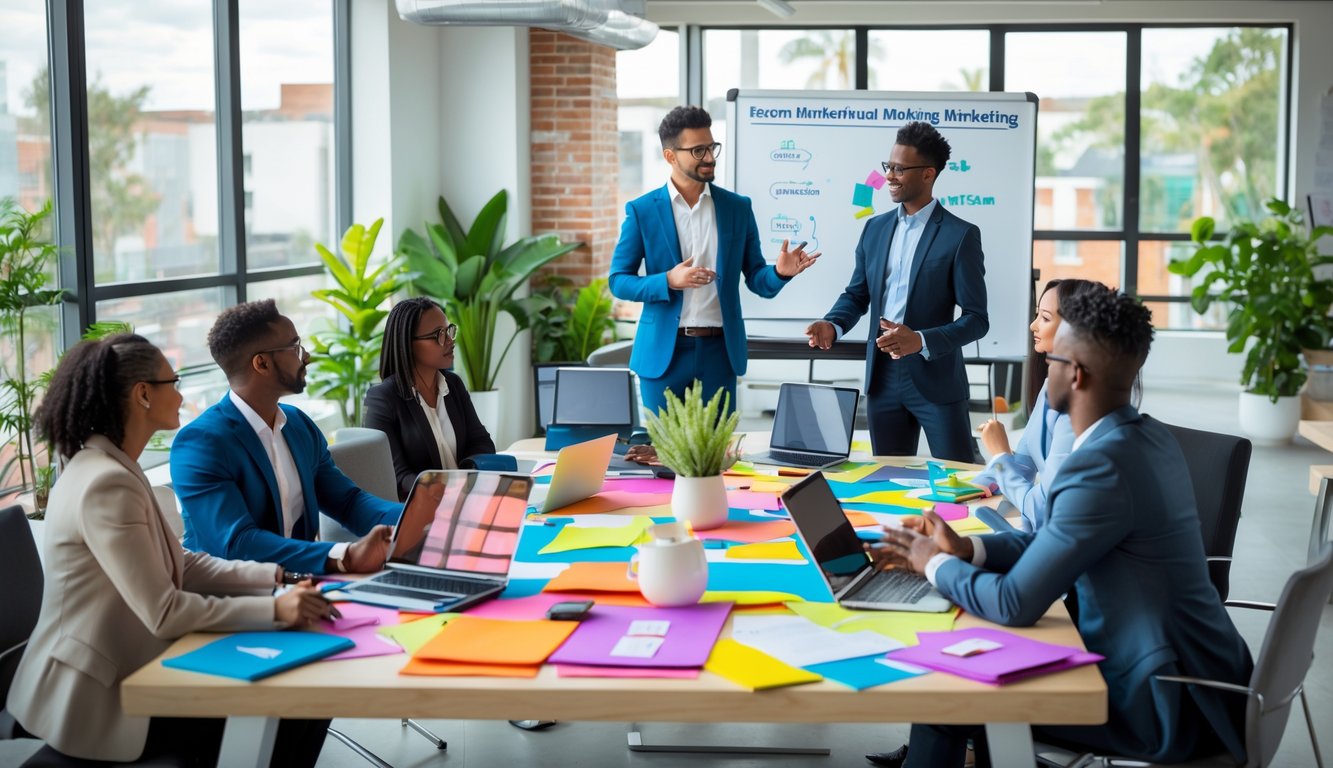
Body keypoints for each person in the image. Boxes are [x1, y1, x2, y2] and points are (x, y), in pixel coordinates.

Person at [865, 290, 1252, 768]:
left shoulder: (1099, 466)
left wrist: (932, 563)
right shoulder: (1146, 436)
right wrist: (967, 549)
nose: (1043, 364)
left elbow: (1014, 604)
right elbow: (1057, 538)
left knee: (947, 692)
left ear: (1076, 374)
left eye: (1050, 358)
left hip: (1161, 706)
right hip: (1201, 679)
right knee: (966, 681)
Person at [5, 334, 334, 766]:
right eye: (173, 381)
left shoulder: (114, 466)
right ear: (143, 394)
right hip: (100, 698)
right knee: (288, 702)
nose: (182, 394)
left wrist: (275, 578)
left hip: (135, 667)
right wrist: (278, 610)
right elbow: (166, 612)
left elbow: (181, 563)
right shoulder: (108, 484)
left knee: (300, 696)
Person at [609, 104, 819, 417]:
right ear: (670, 156)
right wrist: (668, 281)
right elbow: (619, 281)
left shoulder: (737, 208)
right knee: (662, 459)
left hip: (719, 353)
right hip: (663, 353)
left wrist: (779, 272)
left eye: (711, 147)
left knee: (717, 459)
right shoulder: (642, 211)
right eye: (697, 150)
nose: (709, 157)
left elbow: (758, 280)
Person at [172, 299, 400, 575]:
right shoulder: (201, 443)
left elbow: (348, 502)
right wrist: (343, 555)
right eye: (295, 347)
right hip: (233, 600)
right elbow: (238, 544)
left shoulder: (298, 425)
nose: (307, 357)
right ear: (262, 363)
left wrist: (421, 517)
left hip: (305, 589)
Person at [806, 121, 987, 463]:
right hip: (883, 380)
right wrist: (833, 324)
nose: (889, 176)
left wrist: (919, 340)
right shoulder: (874, 229)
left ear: (928, 174)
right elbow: (857, 295)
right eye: (888, 167)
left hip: (937, 383)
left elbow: (977, 320)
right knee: (889, 482)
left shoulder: (960, 235)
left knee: (959, 480)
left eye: (900, 169)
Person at [972, 278, 1106, 531]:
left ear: (1075, 328)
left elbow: (1042, 510)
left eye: (1044, 318)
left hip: (1064, 543)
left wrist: (1000, 454)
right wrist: (971, 488)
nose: (1033, 325)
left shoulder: (1081, 409)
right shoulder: (1053, 384)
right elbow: (1023, 464)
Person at [364, 297, 498, 500]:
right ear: (408, 344)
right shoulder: (383, 399)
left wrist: (466, 478)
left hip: (466, 500)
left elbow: (481, 442)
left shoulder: (453, 385)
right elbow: (397, 477)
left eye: (449, 330)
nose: (450, 340)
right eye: (439, 335)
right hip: (422, 513)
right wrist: (444, 490)